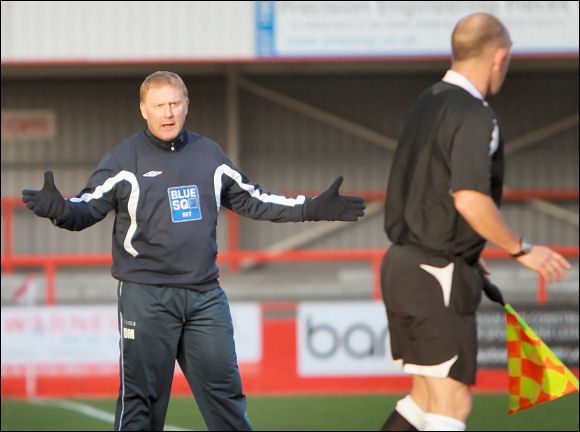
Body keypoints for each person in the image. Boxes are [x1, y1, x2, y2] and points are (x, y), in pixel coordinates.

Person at [21, 71, 365, 431]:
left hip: (205, 297)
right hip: (146, 297)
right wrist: (60, 210)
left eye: (173, 104)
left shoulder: (209, 154)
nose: (167, 113)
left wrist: (310, 208)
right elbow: (86, 207)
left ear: (187, 105)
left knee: (228, 402)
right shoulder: (124, 160)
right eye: (158, 106)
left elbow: (254, 199)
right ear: (143, 110)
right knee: (142, 406)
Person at [379, 13, 571, 432]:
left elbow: (425, 187)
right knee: (453, 404)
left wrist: (465, 245)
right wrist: (522, 249)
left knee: (423, 399)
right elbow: (468, 197)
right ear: (500, 57)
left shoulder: (427, 100)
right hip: (436, 272)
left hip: (403, 264)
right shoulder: (475, 114)